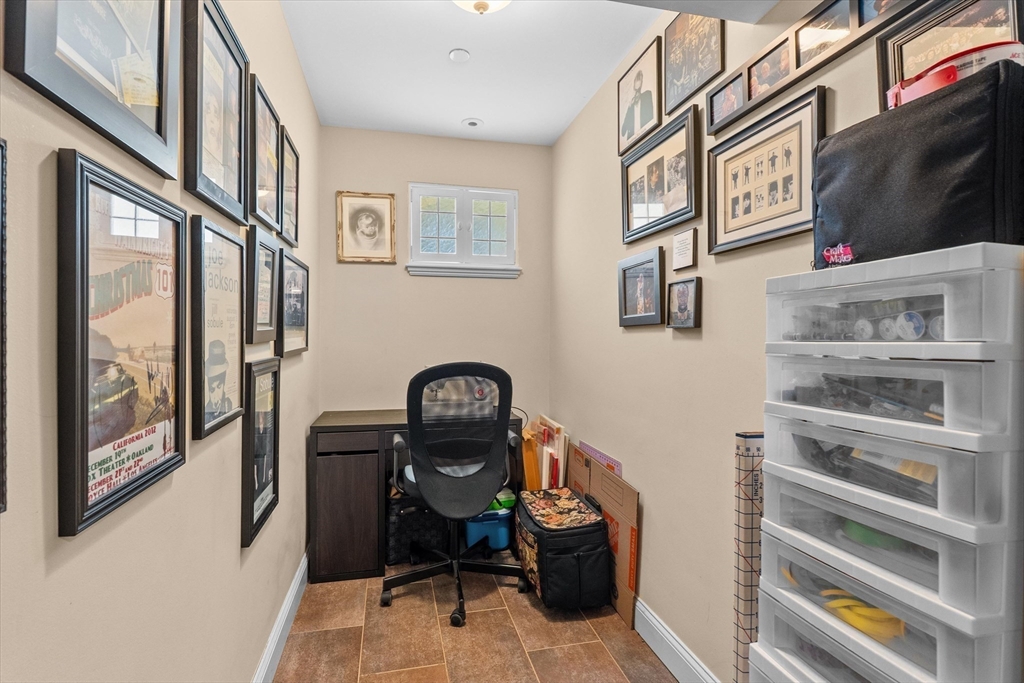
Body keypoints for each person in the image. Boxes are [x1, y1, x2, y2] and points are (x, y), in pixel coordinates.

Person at [621, 70, 654, 142]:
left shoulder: (647, 95)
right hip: (633, 141)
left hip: (646, 138)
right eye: (635, 90)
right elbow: (623, 132)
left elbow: (651, 117)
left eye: (638, 89)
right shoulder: (631, 106)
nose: (636, 93)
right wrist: (629, 107)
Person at [205, 340, 232, 421]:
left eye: (219, 387)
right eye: (212, 390)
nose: (215, 397)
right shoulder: (206, 414)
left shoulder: (228, 404)